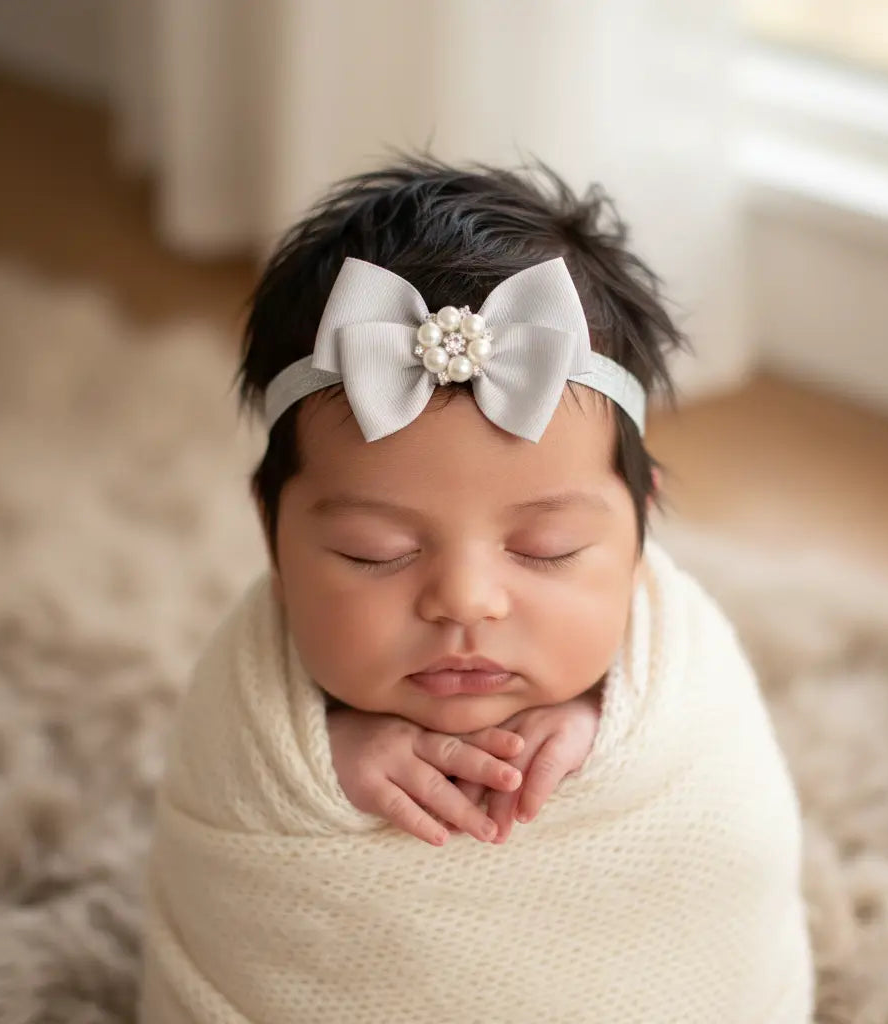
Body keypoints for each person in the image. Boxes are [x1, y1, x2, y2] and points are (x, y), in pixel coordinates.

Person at [139, 155, 814, 1023]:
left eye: (546, 548)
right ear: (273, 531)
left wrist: (605, 731)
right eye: (374, 552)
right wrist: (317, 763)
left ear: (639, 528)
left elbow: (721, 841)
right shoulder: (248, 690)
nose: (465, 600)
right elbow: (226, 815)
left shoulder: (682, 669)